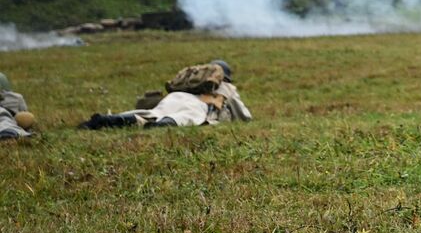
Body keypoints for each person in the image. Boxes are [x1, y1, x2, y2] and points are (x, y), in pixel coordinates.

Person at [78, 59, 252, 129]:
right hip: (199, 104)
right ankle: (162, 126)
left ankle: (110, 119)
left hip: (175, 97)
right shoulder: (226, 87)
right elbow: (243, 114)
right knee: (187, 117)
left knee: (153, 114)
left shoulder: (191, 83)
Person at [0, 72, 37, 139]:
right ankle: (10, 131)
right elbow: (24, 113)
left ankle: (9, 131)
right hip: (10, 121)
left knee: (4, 118)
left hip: (8, 121)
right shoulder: (17, 97)